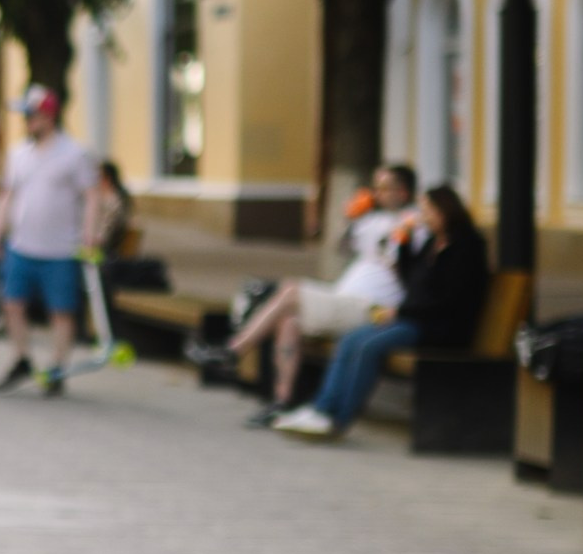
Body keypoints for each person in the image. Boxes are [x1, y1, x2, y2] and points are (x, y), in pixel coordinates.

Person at [192, 162, 420, 426]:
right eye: (375, 187)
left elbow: (401, 263)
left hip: (371, 308)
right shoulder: (375, 219)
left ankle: (233, 350)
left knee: (291, 291)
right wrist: (352, 219)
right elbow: (343, 249)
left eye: (384, 188)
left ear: (402, 192)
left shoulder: (412, 222)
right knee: (289, 321)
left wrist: (398, 237)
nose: (376, 193)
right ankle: (281, 401)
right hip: (342, 302)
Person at [274, 181, 490, 439]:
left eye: (427, 212)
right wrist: (404, 245)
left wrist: (400, 312)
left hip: (441, 327)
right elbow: (413, 282)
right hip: (416, 321)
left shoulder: (467, 248)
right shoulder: (433, 243)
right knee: (350, 339)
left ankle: (338, 420)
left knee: (367, 346)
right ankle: (322, 409)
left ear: (445, 211)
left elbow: (450, 300)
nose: (423, 218)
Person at [0, 84, 101, 395]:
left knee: (60, 311)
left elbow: (91, 196)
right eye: (25, 115)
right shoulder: (18, 153)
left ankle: (57, 367)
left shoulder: (74, 154)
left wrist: (90, 232)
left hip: (60, 248)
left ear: (48, 116)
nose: (26, 120)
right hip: (22, 245)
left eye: (31, 114)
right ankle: (22, 358)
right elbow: (7, 195)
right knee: (12, 305)